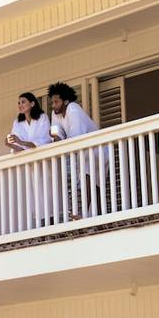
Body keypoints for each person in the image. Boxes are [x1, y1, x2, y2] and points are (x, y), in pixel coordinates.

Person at [48, 82, 102, 219]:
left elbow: (76, 136)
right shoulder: (56, 114)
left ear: (65, 101)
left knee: (90, 179)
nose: (53, 105)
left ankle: (85, 213)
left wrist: (61, 140)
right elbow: (58, 135)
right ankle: (88, 215)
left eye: (56, 102)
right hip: (81, 152)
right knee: (87, 180)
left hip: (95, 149)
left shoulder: (73, 109)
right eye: (52, 102)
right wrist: (56, 138)